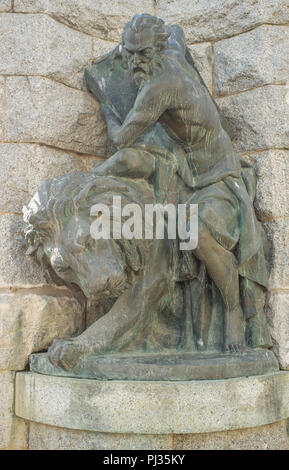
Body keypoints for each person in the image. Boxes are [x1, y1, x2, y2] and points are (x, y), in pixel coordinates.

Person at [94, 14, 270, 353]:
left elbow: (121, 139)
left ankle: (233, 309)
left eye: (142, 54)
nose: (134, 63)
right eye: (128, 53)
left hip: (219, 178)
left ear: (157, 50)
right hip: (188, 176)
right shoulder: (172, 47)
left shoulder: (160, 86)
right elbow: (178, 30)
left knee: (194, 232)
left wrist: (105, 103)